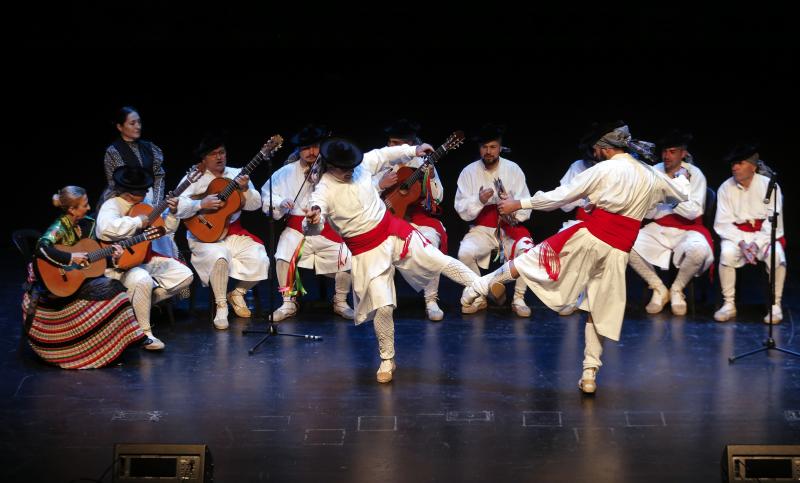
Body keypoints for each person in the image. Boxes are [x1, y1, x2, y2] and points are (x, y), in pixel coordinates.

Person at [461, 122, 690, 394]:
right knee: (597, 308)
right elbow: (682, 194)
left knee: (533, 260)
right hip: (619, 248)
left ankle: (479, 286)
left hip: (591, 237)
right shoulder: (650, 174)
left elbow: (561, 196)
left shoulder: (604, 169)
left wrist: (519, 204)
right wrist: (681, 175)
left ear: (604, 150)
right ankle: (590, 373)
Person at [305, 137, 480, 383]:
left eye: (350, 168)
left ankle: (479, 285)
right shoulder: (324, 188)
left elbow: (385, 153)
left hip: (392, 231)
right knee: (384, 307)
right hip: (367, 251)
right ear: (331, 166)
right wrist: (311, 221)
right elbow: (316, 216)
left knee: (436, 258)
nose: (348, 172)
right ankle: (388, 359)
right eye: (343, 169)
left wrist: (413, 150)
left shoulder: (360, 165)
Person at [23, 186, 146, 368]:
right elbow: (41, 248)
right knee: (115, 289)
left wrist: (115, 256)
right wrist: (70, 257)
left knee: (115, 289)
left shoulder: (87, 224)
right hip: (60, 285)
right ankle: (116, 343)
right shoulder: (60, 226)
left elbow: (94, 258)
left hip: (81, 280)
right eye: (84, 205)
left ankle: (116, 345)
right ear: (72, 210)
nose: (89, 208)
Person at [176, 133, 270, 330]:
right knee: (220, 257)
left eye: (222, 152)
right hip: (204, 237)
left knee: (261, 258)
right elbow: (177, 207)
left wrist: (245, 190)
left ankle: (237, 293)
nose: (219, 157)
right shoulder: (194, 177)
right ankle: (221, 306)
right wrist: (200, 203)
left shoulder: (238, 174)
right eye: (213, 154)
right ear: (204, 158)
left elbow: (255, 205)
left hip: (232, 232)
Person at [261, 124, 354, 321]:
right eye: (306, 148)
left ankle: (340, 301)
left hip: (327, 228)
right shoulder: (285, 172)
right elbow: (267, 195)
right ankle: (288, 302)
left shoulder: (331, 169)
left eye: (315, 147)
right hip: (296, 229)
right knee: (283, 255)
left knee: (347, 255)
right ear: (298, 150)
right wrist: (280, 202)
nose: (311, 152)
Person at [96, 166, 193, 350]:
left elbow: (164, 230)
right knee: (142, 280)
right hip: (119, 264)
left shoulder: (144, 205)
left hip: (144, 259)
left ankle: (137, 307)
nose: (146, 192)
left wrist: (172, 212)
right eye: (142, 190)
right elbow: (106, 229)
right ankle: (145, 333)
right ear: (131, 194)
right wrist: (137, 222)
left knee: (185, 275)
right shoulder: (112, 205)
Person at [628, 130, 714, 316]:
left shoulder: (695, 174)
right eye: (664, 152)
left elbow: (694, 211)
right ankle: (659, 288)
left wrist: (670, 195)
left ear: (683, 153)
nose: (667, 156)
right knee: (627, 244)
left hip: (688, 229)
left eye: (672, 151)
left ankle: (677, 289)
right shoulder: (654, 171)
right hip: (659, 228)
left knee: (698, 250)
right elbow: (649, 211)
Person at [454, 124, 534, 317]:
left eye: (492, 147)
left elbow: (526, 205)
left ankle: (518, 298)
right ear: (479, 148)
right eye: (484, 147)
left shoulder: (513, 169)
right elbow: (460, 208)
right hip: (482, 228)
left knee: (528, 252)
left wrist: (512, 206)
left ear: (499, 147)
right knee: (464, 253)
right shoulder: (468, 172)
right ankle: (479, 296)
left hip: (509, 227)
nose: (488, 151)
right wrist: (479, 200)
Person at [373, 119, 448, 321]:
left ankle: (431, 300)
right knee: (380, 247)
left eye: (397, 144)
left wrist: (430, 178)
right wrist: (380, 184)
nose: (391, 147)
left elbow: (438, 196)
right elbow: (363, 192)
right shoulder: (381, 160)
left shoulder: (423, 162)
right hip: (388, 217)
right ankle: (383, 301)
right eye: (390, 142)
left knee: (430, 244)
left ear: (409, 144)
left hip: (418, 217)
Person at [713, 142, 785, 323]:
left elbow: (773, 222)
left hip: (763, 236)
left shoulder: (770, 186)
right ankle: (729, 304)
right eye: (733, 164)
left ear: (753, 167)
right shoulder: (725, 188)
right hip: (737, 236)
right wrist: (743, 243)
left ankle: (775, 306)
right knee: (727, 253)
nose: (735, 168)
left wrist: (756, 244)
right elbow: (722, 223)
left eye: (740, 163)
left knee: (777, 256)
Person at [100, 106, 178, 259]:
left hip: (149, 196)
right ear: (120, 127)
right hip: (124, 197)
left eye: (139, 122)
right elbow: (114, 181)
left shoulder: (150, 148)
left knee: (162, 231)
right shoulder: (114, 151)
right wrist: (132, 202)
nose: (138, 126)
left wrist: (155, 204)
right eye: (132, 123)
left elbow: (159, 176)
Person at [553, 126, 601, 316]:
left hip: (605, 224)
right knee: (564, 243)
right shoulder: (577, 167)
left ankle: (594, 296)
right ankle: (571, 295)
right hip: (582, 221)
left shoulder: (612, 168)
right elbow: (564, 205)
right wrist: (578, 195)